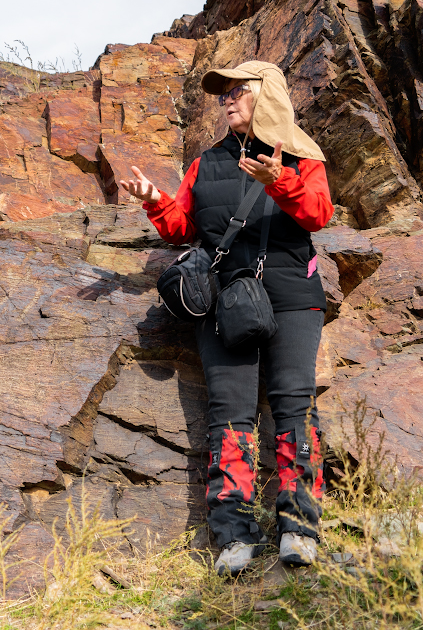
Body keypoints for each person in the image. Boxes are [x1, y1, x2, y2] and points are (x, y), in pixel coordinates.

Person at [119, 61, 334, 576]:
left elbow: (319, 214)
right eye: (223, 95)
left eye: (237, 91)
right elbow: (182, 228)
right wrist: (155, 201)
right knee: (229, 412)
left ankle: (300, 529)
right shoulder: (205, 163)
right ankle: (235, 538)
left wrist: (279, 178)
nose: (227, 101)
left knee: (292, 402)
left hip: (291, 293)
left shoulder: (302, 155)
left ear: (267, 94)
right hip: (225, 300)